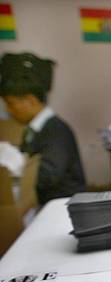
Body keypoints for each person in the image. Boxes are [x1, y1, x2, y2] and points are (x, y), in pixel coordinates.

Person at [0, 52, 85, 205]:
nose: (8, 111)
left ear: (30, 100)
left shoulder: (56, 131)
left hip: (63, 206)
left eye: (11, 104)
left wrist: (14, 165)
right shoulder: (33, 130)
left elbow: (48, 175)